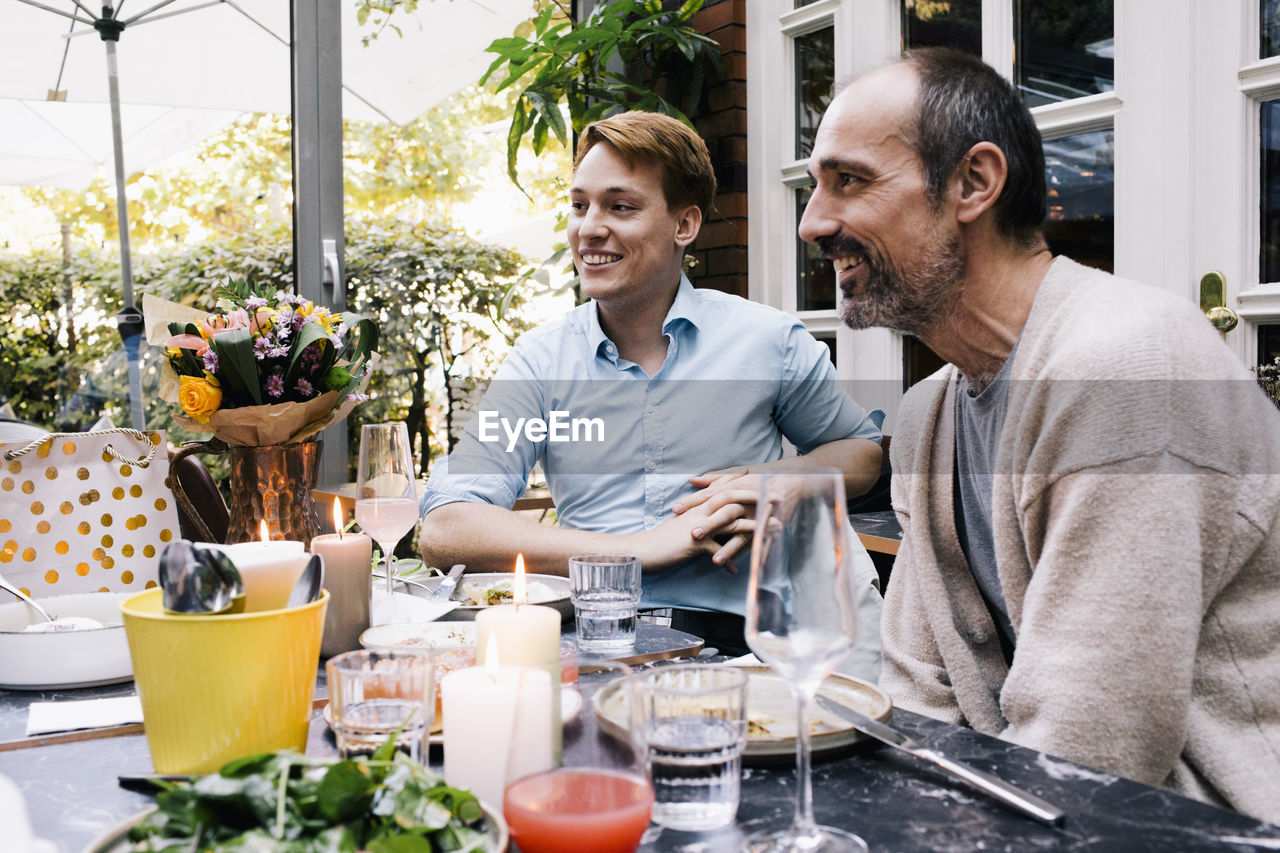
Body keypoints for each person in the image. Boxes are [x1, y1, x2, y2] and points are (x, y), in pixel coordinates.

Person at [798, 46, 1280, 821]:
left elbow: (1092, 746)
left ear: (973, 183)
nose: (813, 221)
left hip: (1209, 822)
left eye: (848, 181)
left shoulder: (1122, 367)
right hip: (1024, 810)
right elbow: (917, 698)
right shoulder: (928, 415)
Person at [419, 111, 884, 669]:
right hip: (592, 648)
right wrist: (635, 552)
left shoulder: (767, 340)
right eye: (579, 205)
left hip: (750, 651)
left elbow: (861, 452)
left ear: (683, 226)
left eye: (620, 206)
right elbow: (446, 525)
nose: (589, 227)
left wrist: (782, 481)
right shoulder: (540, 362)